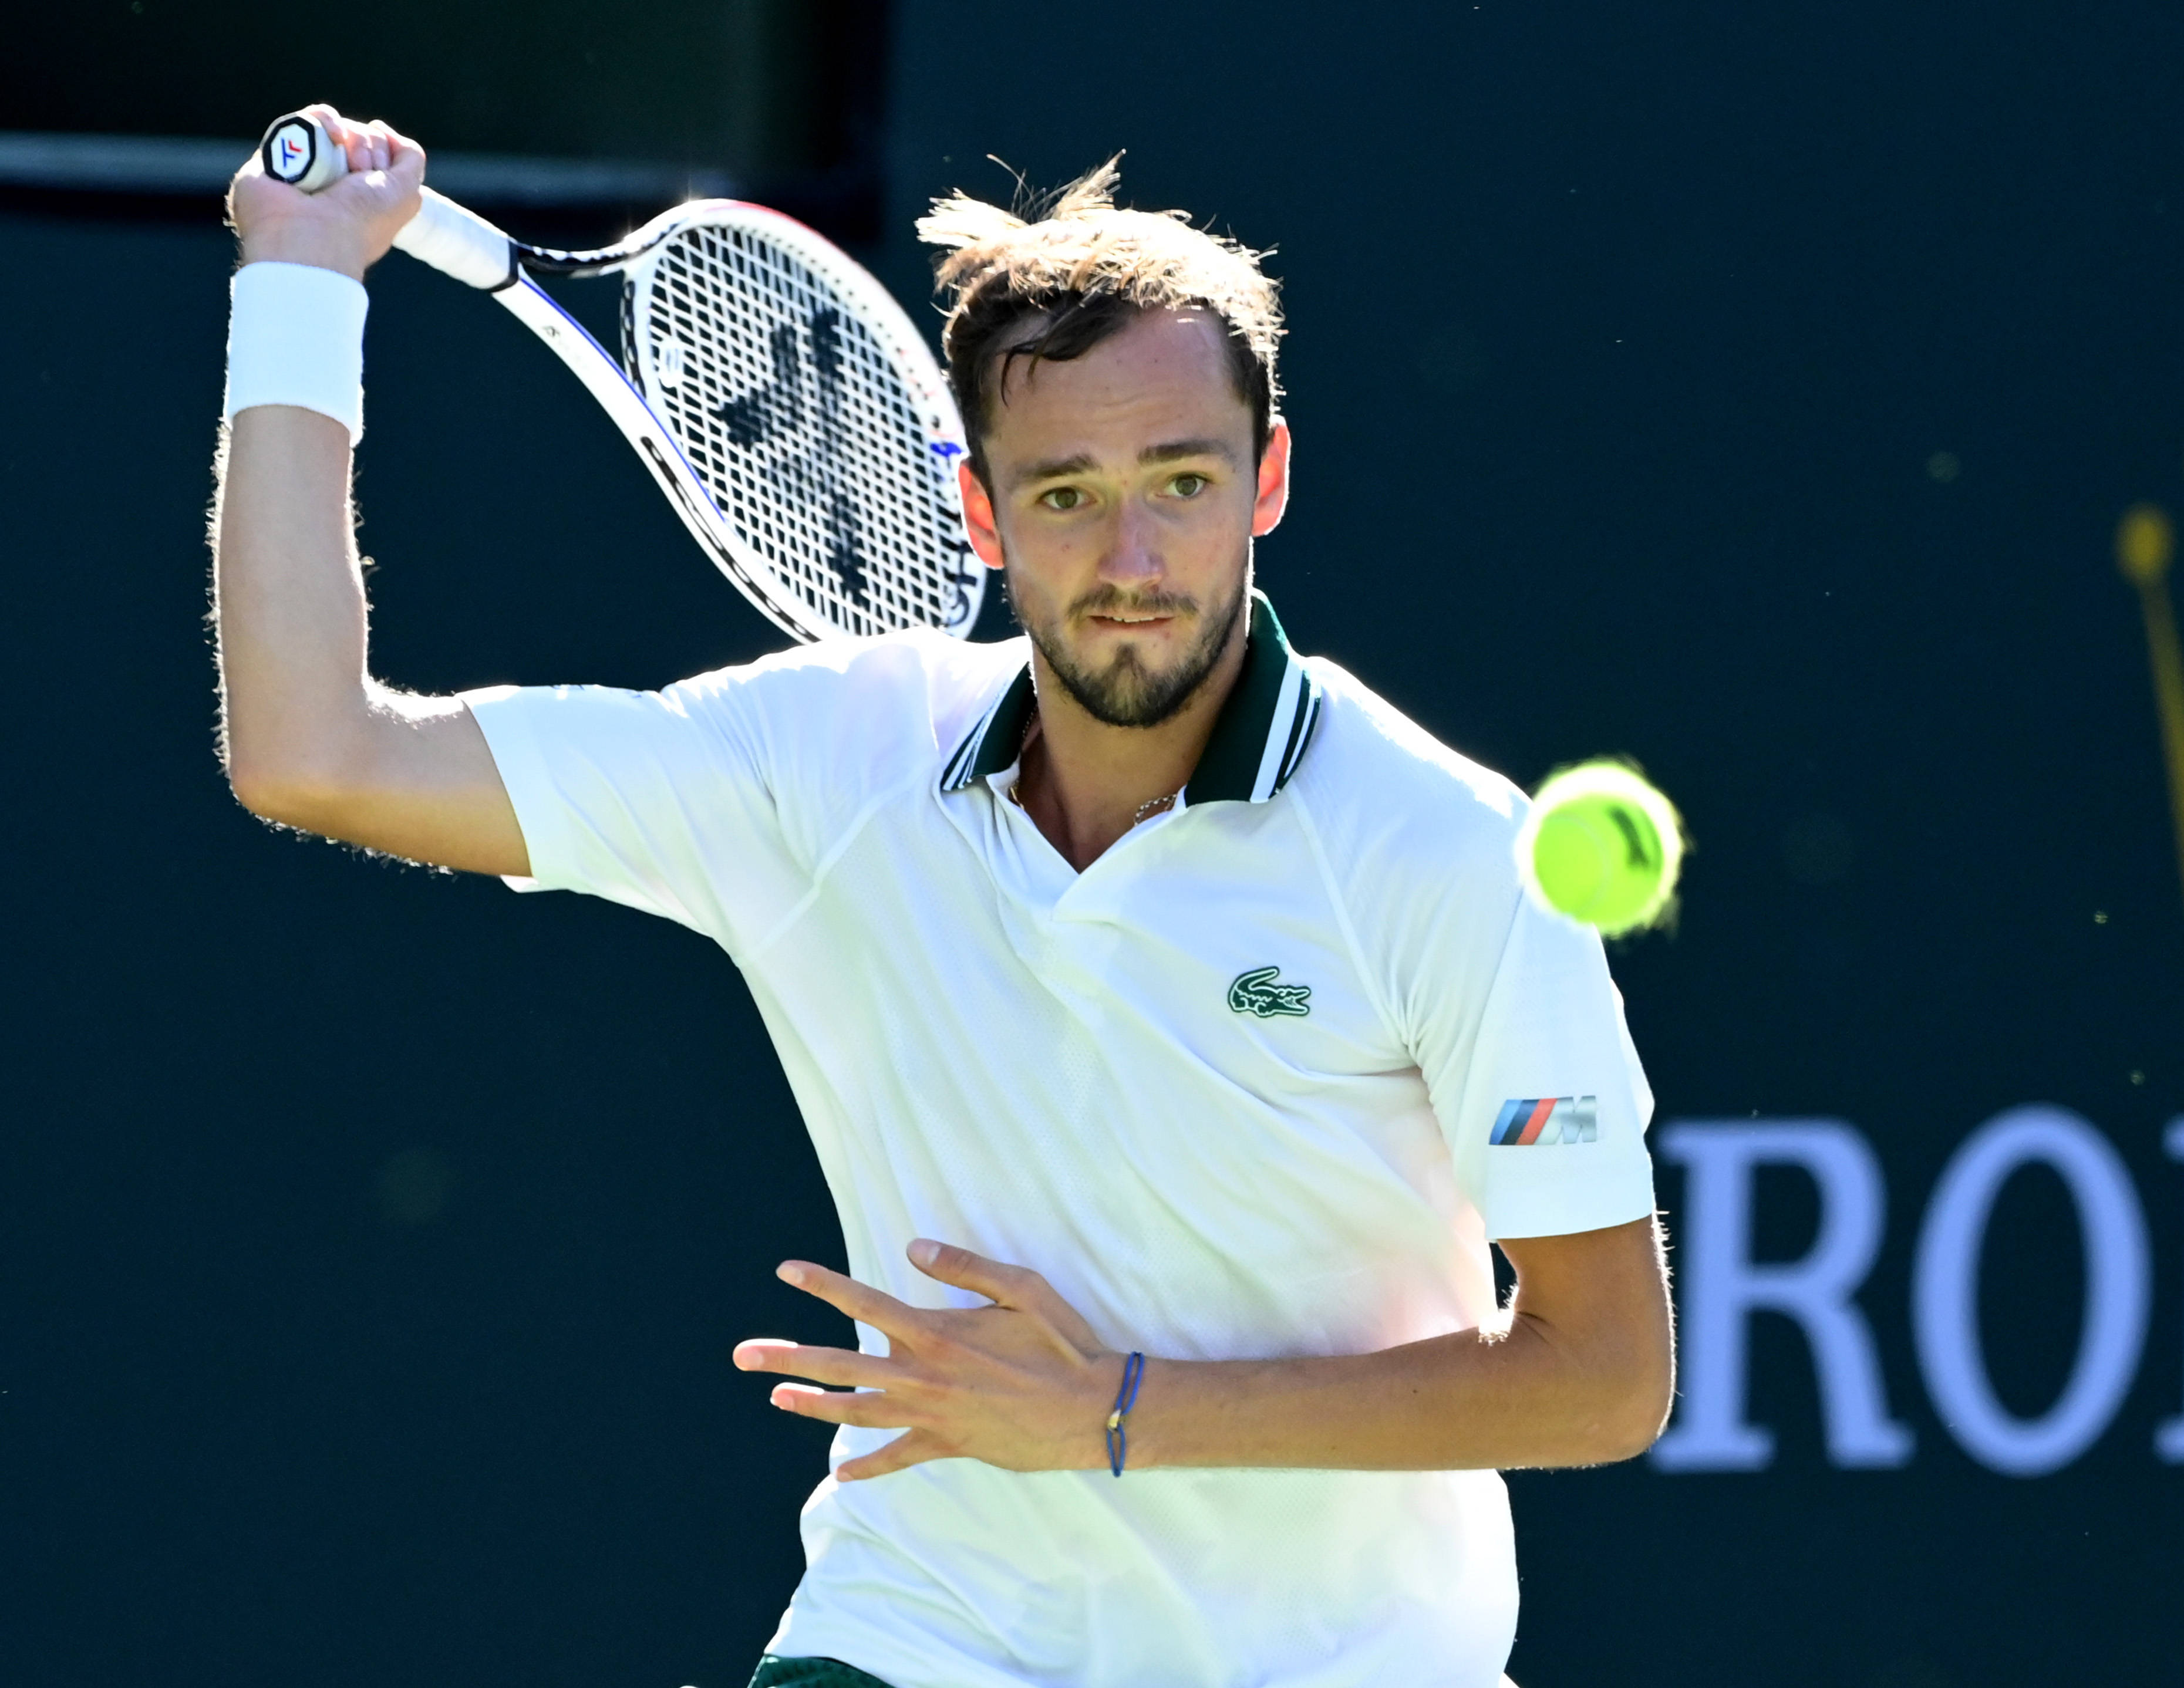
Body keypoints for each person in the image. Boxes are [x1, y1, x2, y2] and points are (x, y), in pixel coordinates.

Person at [215, 110, 1674, 1688]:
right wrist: (299, 286)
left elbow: (1602, 1375)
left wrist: (1118, 1411)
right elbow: (315, 750)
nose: (1133, 554)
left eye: (1182, 482)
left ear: (1269, 479)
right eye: (1065, 496)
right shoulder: (830, 761)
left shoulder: (1447, 854)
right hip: (924, 1636)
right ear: (980, 515)